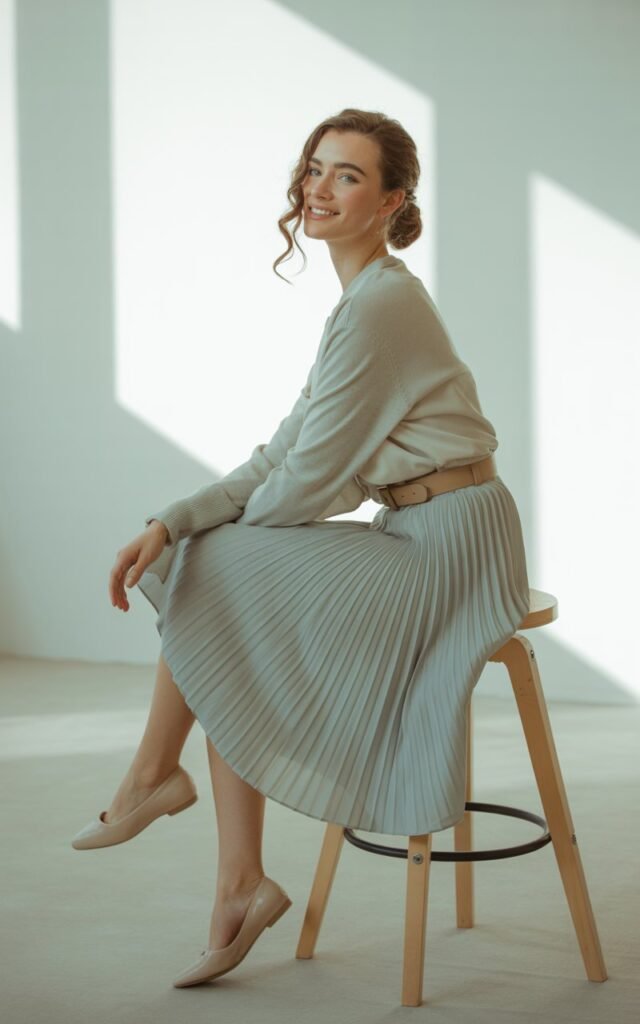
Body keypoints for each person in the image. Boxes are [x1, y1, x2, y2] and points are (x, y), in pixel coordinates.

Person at [72, 108, 530, 988]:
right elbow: (283, 451)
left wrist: (205, 540)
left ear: (392, 201)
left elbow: (314, 480)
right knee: (210, 566)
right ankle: (227, 869)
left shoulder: (383, 307)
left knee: (219, 571)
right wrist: (173, 520)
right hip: (413, 530)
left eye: (347, 175)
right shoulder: (359, 304)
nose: (318, 187)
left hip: (455, 548)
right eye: (316, 168)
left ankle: (166, 790)